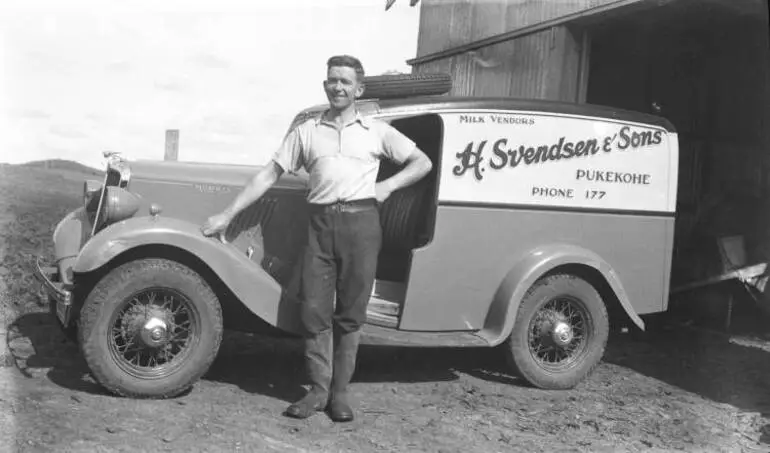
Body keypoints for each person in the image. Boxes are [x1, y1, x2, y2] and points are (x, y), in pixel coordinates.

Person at [200, 55, 433, 422]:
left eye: (344, 81)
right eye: (331, 80)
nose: (337, 86)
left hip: (362, 225)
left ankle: (340, 394)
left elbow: (422, 163)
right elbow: (268, 175)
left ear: (359, 89)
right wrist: (227, 215)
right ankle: (318, 390)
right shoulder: (307, 132)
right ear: (325, 85)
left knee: (351, 313)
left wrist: (386, 186)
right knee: (313, 311)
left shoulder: (377, 130)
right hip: (320, 225)